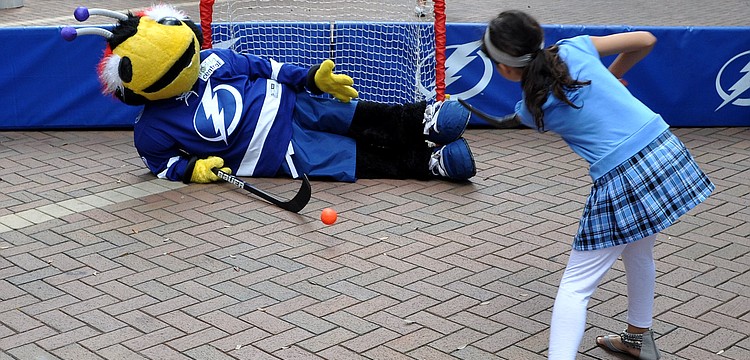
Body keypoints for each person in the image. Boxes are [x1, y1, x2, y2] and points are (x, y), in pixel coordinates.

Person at [481, 10, 714, 360]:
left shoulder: (533, 111)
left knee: (576, 285)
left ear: (504, 68)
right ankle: (638, 337)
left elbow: (555, 96)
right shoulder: (574, 49)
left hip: (624, 177)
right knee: (638, 250)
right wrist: (610, 74)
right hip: (664, 147)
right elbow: (645, 40)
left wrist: (605, 78)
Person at [63, 4, 476, 185]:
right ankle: (427, 162)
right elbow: (161, 164)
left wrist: (311, 78)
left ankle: (421, 119)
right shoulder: (151, 128)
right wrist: (193, 171)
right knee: (355, 158)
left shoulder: (212, 59)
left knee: (355, 116)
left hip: (295, 102)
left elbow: (266, 68)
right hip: (278, 153)